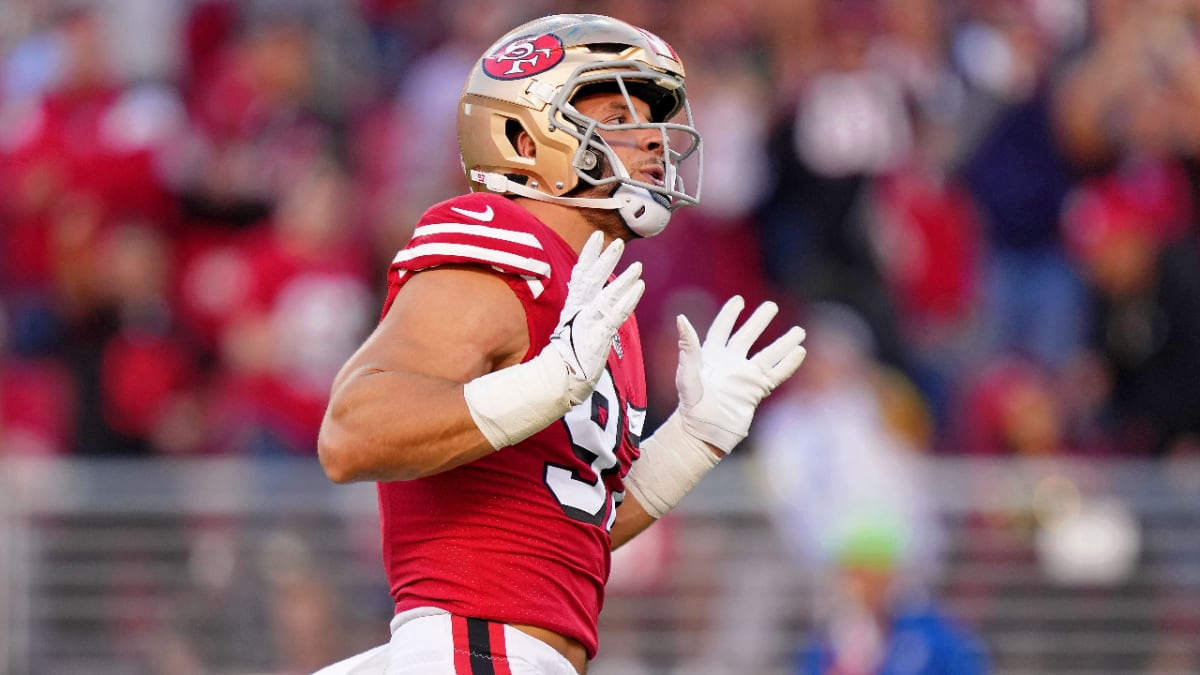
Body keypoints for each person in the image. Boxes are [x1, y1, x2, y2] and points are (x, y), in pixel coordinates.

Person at [313, 13, 808, 675]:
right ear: (524, 135)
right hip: (471, 645)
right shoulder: (500, 239)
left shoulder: (601, 303)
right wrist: (549, 381)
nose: (655, 140)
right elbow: (351, 433)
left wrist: (689, 442)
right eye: (620, 115)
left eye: (657, 118)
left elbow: (568, 529)